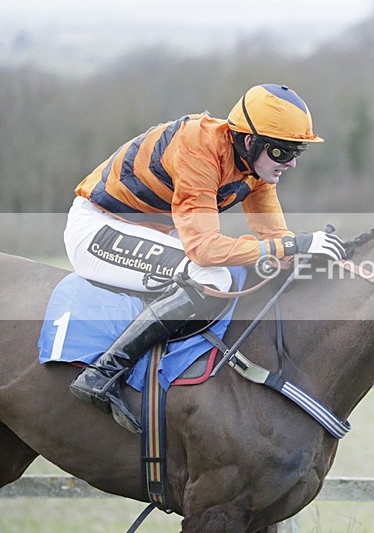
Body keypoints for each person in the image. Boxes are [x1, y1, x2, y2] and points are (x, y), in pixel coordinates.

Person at [63, 83, 345, 432]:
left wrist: (316, 254)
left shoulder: (254, 170)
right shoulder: (198, 147)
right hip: (98, 229)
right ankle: (102, 373)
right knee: (211, 276)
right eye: (281, 151)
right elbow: (205, 250)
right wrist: (292, 247)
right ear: (248, 141)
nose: (291, 163)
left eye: (297, 150)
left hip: (150, 232)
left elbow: (275, 240)